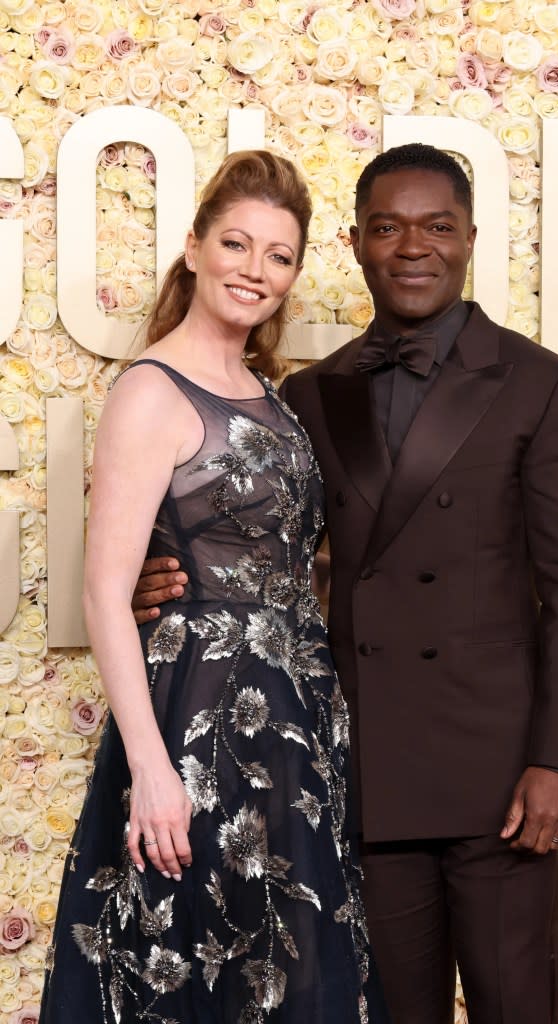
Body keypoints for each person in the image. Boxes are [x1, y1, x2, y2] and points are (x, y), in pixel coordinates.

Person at [133, 143, 558, 1024]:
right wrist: (163, 581)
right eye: (388, 228)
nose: (412, 247)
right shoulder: (312, 395)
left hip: (502, 777)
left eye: (436, 226)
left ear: (470, 239)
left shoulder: (541, 386)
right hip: (365, 769)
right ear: (355, 244)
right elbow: (266, 544)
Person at [39, 151, 388, 1024]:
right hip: (198, 728)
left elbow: (284, 557)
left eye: (278, 255)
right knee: (195, 964)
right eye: (236, 243)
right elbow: (104, 596)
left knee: (292, 976)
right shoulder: (151, 393)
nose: (255, 270)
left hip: (296, 723)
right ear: (193, 247)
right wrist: (155, 772)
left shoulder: (268, 396)